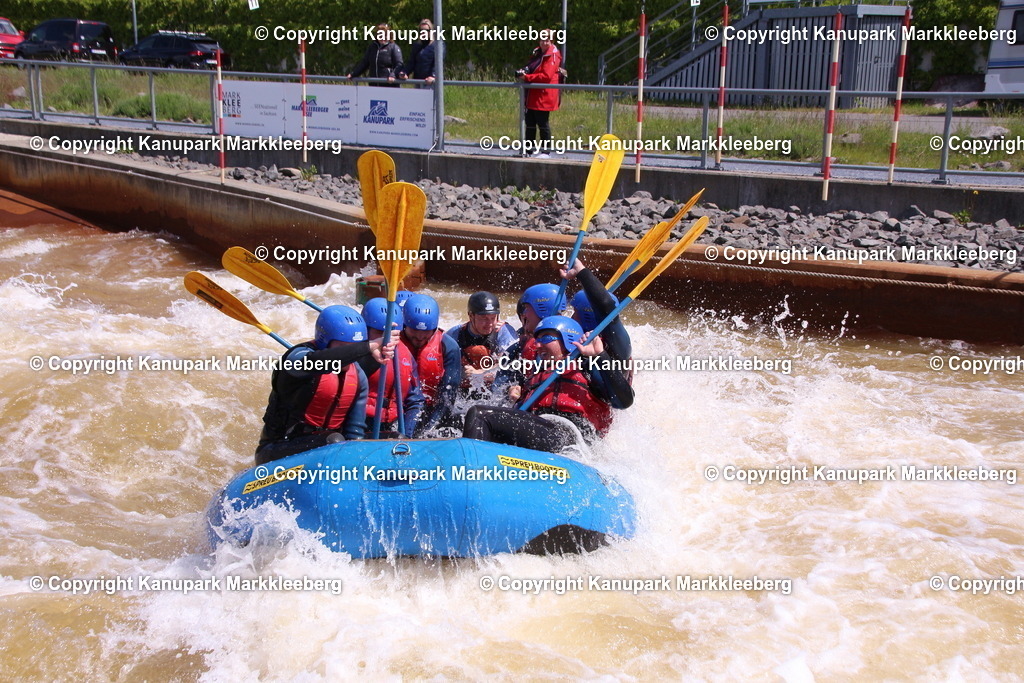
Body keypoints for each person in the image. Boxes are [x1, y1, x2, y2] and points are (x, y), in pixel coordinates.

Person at [463, 316, 630, 453]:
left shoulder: (587, 365)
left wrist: (600, 355)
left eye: (546, 338)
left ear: (568, 339)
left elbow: (624, 400)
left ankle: (474, 473)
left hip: (568, 435)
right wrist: (516, 400)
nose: (537, 344)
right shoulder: (537, 375)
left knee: (480, 415)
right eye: (537, 339)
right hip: (544, 432)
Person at [255, 306, 383, 465]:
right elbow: (317, 362)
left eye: (353, 349)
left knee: (394, 439)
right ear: (324, 342)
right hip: (278, 450)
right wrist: (367, 347)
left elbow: (354, 433)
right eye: (344, 349)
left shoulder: (358, 376)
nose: (349, 357)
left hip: (329, 450)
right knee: (334, 441)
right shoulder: (297, 359)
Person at [361, 297, 425, 436]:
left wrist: (407, 436)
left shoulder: (405, 354)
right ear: (365, 329)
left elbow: (415, 400)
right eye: (379, 332)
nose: (385, 339)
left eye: (391, 333)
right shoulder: (356, 354)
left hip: (393, 424)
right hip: (360, 423)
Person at [401, 293, 463, 435]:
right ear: (405, 325)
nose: (419, 337)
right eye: (414, 331)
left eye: (425, 332)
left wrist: (428, 431)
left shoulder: (448, 346)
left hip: (430, 410)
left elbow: (447, 398)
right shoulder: (393, 343)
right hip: (399, 408)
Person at [494, 283, 567, 401]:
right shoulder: (518, 347)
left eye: (528, 308)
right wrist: (509, 389)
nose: (525, 313)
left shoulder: (573, 344)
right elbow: (498, 386)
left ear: (542, 309)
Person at [444, 291, 518, 396]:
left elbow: (511, 368)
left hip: (494, 392)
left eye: (493, 318)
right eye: (484, 318)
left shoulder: (504, 332)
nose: (490, 324)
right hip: (463, 392)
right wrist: (460, 372)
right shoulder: (455, 334)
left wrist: (480, 375)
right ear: (471, 316)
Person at [516, 29, 561, 158]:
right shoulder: (538, 53)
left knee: (542, 123)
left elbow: (546, 76)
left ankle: (545, 152)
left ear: (552, 41)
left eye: (547, 40)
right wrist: (524, 71)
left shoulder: (553, 55)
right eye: (542, 39)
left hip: (544, 94)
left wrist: (527, 77)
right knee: (530, 122)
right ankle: (528, 150)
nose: (543, 42)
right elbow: (531, 67)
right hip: (533, 94)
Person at [398, 19, 438, 85]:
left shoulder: (437, 45)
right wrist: (404, 72)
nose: (424, 33)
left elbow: (438, 63)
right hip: (418, 82)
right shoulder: (417, 46)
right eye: (421, 31)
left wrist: (433, 76)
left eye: (426, 30)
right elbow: (411, 63)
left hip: (432, 83)